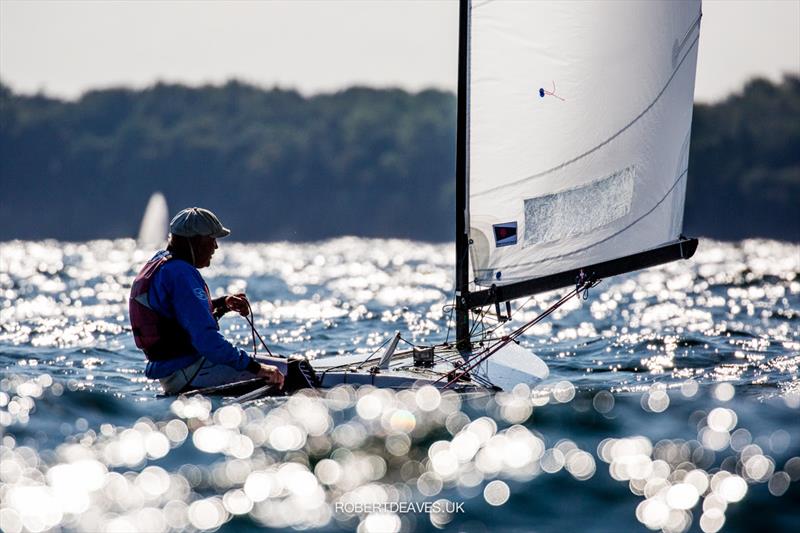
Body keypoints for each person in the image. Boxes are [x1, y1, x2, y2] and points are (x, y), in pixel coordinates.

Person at [129, 207, 284, 394]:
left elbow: (180, 319)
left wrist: (223, 304)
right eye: (212, 239)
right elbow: (208, 342)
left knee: (280, 364)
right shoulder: (181, 273)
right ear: (195, 241)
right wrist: (258, 369)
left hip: (173, 375)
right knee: (293, 370)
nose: (215, 247)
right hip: (191, 372)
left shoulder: (161, 264)